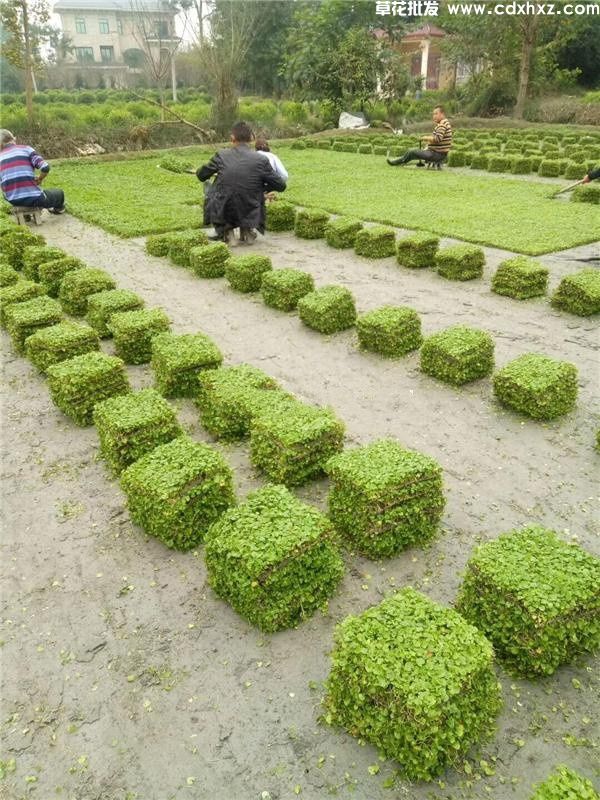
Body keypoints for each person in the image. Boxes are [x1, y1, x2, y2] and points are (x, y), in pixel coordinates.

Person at [197, 121, 286, 245]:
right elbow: (281, 185)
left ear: (232, 138)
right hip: (250, 206)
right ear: (251, 138)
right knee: (247, 191)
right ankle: (247, 229)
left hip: (226, 208)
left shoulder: (221, 155)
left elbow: (201, 176)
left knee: (211, 188)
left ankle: (228, 231)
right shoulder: (261, 159)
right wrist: (262, 188)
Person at [0, 129, 65, 214]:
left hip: (13, 200)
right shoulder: (26, 150)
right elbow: (45, 167)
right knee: (59, 193)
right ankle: (59, 209)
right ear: (13, 139)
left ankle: (26, 214)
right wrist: (40, 179)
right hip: (35, 199)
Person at [387, 106, 452, 168]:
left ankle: (397, 162)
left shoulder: (442, 125)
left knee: (412, 152)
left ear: (442, 114)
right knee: (413, 152)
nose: (434, 116)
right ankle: (400, 161)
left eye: (436, 114)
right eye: (433, 114)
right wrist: (428, 144)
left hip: (437, 154)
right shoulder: (445, 123)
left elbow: (437, 139)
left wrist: (425, 138)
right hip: (438, 153)